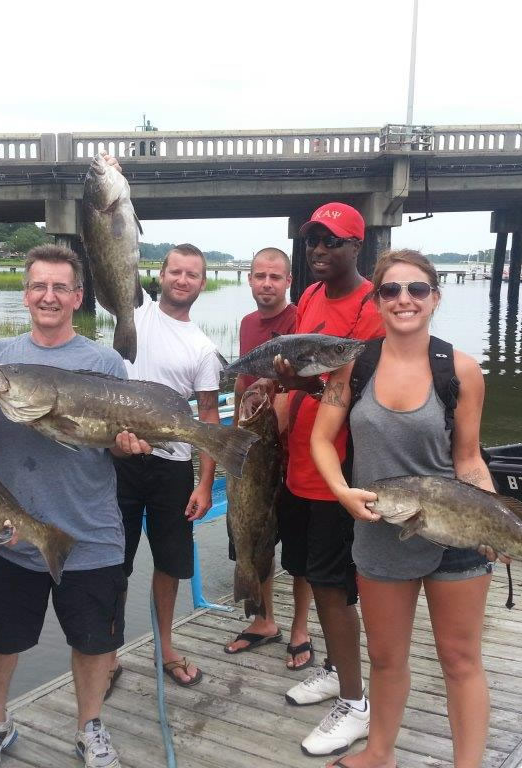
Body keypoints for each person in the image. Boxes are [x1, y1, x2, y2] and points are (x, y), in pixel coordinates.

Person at [0, 245, 149, 768]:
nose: (49, 296)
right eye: (39, 285)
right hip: (13, 533)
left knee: (94, 640)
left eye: (61, 287)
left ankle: (90, 728)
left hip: (91, 533)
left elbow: (114, 442)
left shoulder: (104, 361)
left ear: (78, 297)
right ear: (25, 295)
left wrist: (127, 443)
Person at [310, 249, 499, 768]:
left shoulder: (461, 370)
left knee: (460, 659)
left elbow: (468, 459)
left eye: (416, 289)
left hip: (454, 528)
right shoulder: (354, 366)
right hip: (380, 530)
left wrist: (494, 520)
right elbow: (322, 439)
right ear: (377, 301)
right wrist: (342, 491)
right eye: (391, 290)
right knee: (386, 657)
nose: (404, 299)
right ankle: (379, 753)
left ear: (435, 297)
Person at [273, 202, 385, 757]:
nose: (318, 249)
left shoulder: (371, 308)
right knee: (308, 574)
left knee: (334, 587)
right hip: (299, 463)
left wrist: (305, 386)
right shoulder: (311, 296)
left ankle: (356, 703)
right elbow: (298, 369)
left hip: (339, 472)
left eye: (331, 241)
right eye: (312, 239)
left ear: (356, 247)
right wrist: (274, 384)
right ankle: (339, 670)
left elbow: (363, 394)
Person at [115, 242, 223, 688]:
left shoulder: (203, 347)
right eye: (175, 271)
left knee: (171, 562)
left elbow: (209, 418)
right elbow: (112, 254)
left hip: (172, 465)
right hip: (118, 457)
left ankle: (165, 646)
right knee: (113, 560)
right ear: (159, 275)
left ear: (202, 283)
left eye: (192, 274)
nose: (182, 280)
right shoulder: (134, 310)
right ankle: (107, 654)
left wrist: (204, 483)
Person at [222, 247, 314, 673]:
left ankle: (300, 628)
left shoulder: (300, 321)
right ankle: (264, 620)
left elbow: (298, 390)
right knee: (254, 533)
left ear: (288, 281)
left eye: (275, 277)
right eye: (259, 276)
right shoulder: (246, 324)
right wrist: (234, 438)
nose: (266, 284)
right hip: (251, 449)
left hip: (293, 453)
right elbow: (243, 386)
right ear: (249, 279)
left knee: (297, 546)